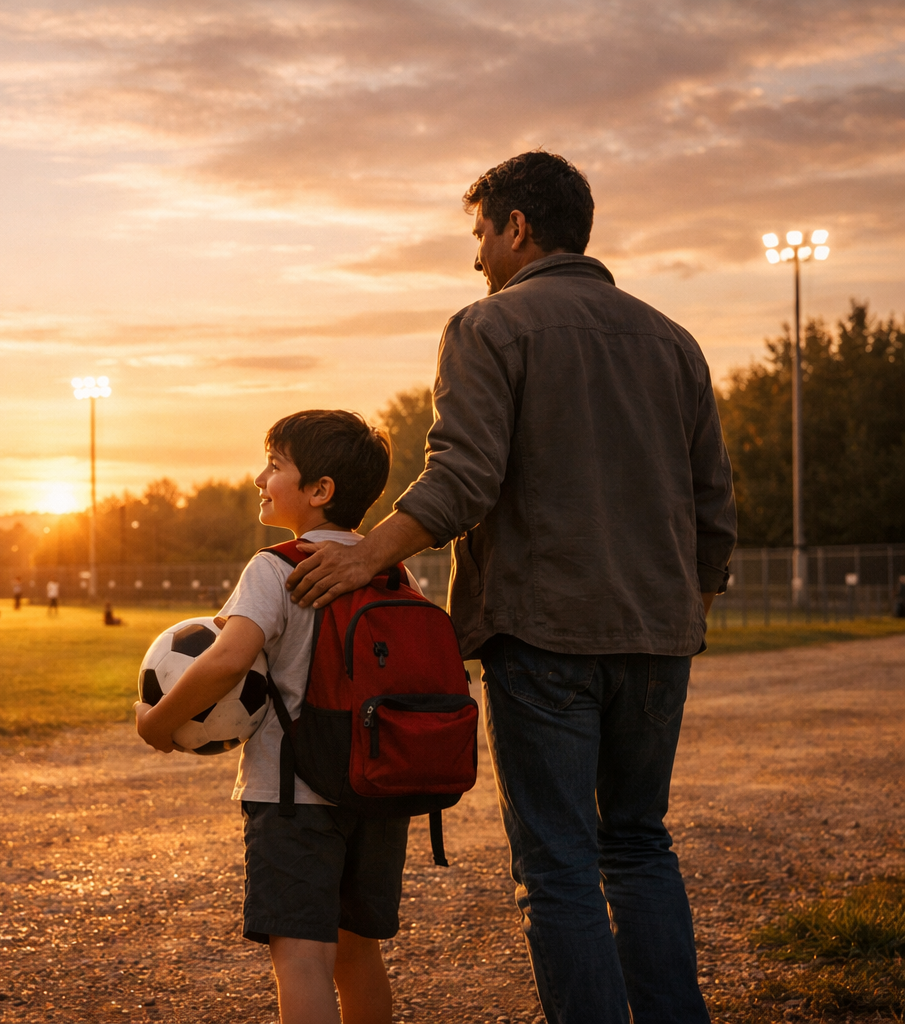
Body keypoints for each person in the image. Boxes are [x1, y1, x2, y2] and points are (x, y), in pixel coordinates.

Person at [285, 152, 737, 1024]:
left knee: (559, 864)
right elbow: (713, 504)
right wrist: (686, 612)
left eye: (480, 233)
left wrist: (366, 555)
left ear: (516, 227)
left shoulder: (489, 326)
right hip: (659, 638)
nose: (476, 256)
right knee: (639, 846)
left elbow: (463, 478)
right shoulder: (673, 341)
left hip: (545, 634)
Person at [137, 409, 411, 1024]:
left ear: (319, 490)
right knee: (358, 954)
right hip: (377, 788)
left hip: (293, 798)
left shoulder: (276, 566)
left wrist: (158, 722)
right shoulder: (392, 570)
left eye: (274, 465)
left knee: (302, 958)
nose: (260, 478)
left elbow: (227, 659)